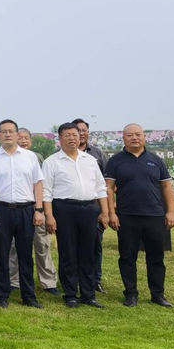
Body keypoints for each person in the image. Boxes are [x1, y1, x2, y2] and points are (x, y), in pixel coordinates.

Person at [105, 124, 174, 307]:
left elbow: (167, 187)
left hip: (154, 215)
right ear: (124, 138)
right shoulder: (115, 161)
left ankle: (157, 294)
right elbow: (109, 188)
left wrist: (170, 211)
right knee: (127, 256)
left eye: (138, 134)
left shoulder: (156, 160)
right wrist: (111, 213)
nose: (134, 138)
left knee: (156, 257)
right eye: (130, 135)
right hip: (126, 216)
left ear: (144, 137)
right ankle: (131, 294)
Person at [42, 123, 109, 308]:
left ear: (81, 137)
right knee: (68, 253)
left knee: (88, 252)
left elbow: (100, 187)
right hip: (64, 209)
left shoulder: (89, 160)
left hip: (89, 209)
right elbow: (46, 192)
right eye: (67, 135)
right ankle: (70, 293)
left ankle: (88, 294)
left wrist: (105, 211)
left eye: (75, 134)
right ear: (60, 138)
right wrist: (49, 216)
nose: (72, 138)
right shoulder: (51, 162)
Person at [0, 120, 44, 309]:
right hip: (0, 209)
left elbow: (38, 183)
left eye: (11, 131)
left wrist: (39, 209)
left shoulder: (30, 157)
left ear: (18, 135)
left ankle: (28, 295)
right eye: (4, 132)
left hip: (26, 209)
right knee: (1, 253)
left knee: (26, 254)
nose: (8, 135)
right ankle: (2, 294)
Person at [10, 128, 58, 295]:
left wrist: (43, 210)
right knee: (15, 247)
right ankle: (13, 281)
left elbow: (43, 185)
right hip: (17, 208)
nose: (23, 141)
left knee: (42, 245)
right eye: (20, 138)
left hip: (37, 208)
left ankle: (48, 281)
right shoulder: (9, 159)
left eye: (26, 138)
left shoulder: (37, 158)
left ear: (30, 140)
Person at [73, 118, 109, 295]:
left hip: (93, 207)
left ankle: (95, 280)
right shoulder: (60, 154)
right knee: (73, 246)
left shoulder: (97, 154)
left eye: (83, 130)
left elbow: (106, 183)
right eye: (77, 130)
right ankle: (75, 280)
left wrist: (106, 210)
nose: (81, 133)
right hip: (71, 209)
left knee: (95, 245)